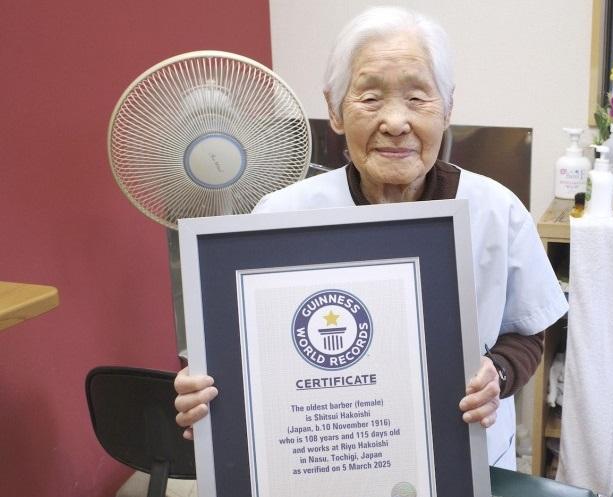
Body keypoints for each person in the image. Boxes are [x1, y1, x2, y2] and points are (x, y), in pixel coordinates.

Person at [174, 5, 568, 470]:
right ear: (335, 110)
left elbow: (526, 333)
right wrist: (205, 392)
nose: (396, 122)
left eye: (418, 98)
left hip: (464, 459)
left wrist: (497, 375)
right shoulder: (280, 217)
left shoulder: (496, 210)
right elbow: (246, 353)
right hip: (325, 459)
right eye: (371, 98)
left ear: (448, 109)